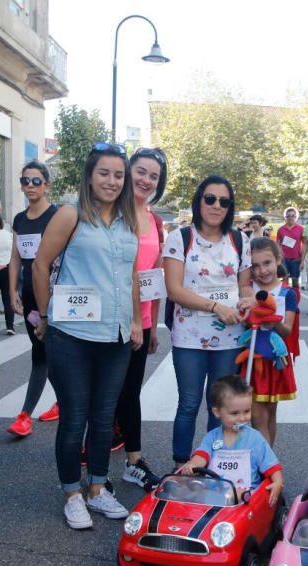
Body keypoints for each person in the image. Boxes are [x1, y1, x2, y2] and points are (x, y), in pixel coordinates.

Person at [32, 143, 141, 529]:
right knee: (74, 417)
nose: (112, 181)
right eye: (104, 173)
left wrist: (135, 322)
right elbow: (41, 265)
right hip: (73, 333)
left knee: (103, 416)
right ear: (90, 176)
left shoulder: (130, 221)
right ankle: (72, 494)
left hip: (114, 337)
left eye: (118, 175)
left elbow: (131, 276)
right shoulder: (70, 214)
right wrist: (45, 315)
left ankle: (97, 488)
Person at [163, 175, 253, 466]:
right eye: (210, 199)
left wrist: (247, 299)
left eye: (224, 201)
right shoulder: (181, 238)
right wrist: (215, 306)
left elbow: (245, 286)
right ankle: (181, 465)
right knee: (188, 404)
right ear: (199, 201)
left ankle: (212, 464)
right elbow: (174, 290)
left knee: (220, 406)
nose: (216, 205)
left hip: (229, 337)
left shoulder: (240, 240)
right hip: (189, 336)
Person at [115, 146, 168, 491]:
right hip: (111, 318)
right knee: (105, 393)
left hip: (143, 319)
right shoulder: (111, 213)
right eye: (141, 171)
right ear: (127, 170)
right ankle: (91, 469)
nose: (146, 180)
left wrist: (152, 324)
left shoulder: (155, 220)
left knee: (130, 392)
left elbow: (155, 275)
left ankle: (133, 461)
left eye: (154, 176)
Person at [6, 161, 59, 437]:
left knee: (43, 355)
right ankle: (62, 400)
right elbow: (15, 259)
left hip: (52, 295)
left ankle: (25, 415)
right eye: (25, 180)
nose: (30, 186)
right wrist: (12, 290)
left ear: (46, 185)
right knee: (42, 352)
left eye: (36, 181)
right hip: (29, 295)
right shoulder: (19, 219)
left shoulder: (57, 216)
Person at [177, 375, 283, 506]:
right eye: (234, 413)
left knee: (229, 496)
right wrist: (193, 465)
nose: (242, 418)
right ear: (217, 412)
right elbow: (201, 456)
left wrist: (278, 482)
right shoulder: (212, 437)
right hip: (214, 491)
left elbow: (271, 465)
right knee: (186, 490)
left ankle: (214, 502)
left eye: (247, 411)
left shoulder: (255, 438)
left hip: (244, 495)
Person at [242, 237, 298, 446]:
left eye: (267, 263)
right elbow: (244, 323)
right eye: (255, 266)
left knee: (270, 414)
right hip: (251, 359)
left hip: (275, 360)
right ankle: (266, 465)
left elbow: (287, 330)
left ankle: (268, 462)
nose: (262, 271)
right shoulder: (247, 288)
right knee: (258, 418)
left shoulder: (287, 293)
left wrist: (271, 319)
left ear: (278, 260)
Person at [276, 206, 305, 293]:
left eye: (293, 216)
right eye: (288, 216)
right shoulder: (281, 229)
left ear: (296, 217)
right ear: (285, 217)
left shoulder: (301, 229)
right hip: (284, 259)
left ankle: (295, 301)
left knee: (295, 282)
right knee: (284, 281)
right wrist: (279, 257)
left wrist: (302, 260)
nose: (290, 218)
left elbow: (304, 245)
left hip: (296, 259)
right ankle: (285, 302)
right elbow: (278, 244)